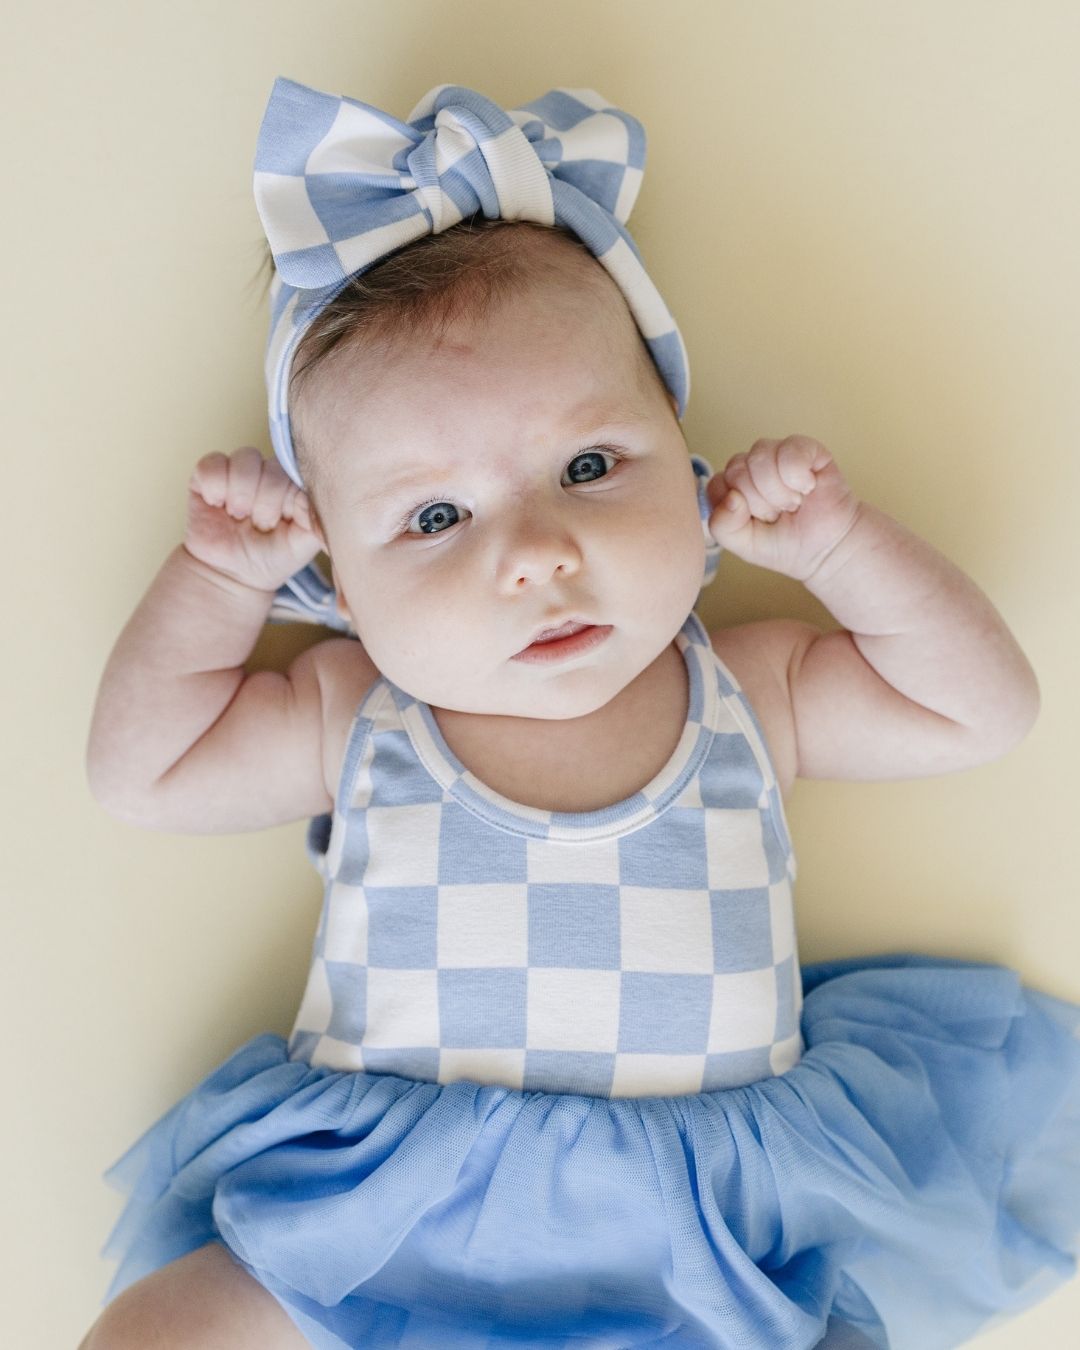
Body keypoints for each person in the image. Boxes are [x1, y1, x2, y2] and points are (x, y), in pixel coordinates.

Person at [80, 78, 1080, 1350]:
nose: (539, 551)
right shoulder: (358, 716)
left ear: (687, 452)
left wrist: (841, 549)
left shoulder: (750, 695)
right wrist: (218, 582)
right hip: (378, 1224)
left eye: (591, 468)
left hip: (696, 1244)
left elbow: (979, 710)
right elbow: (143, 773)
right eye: (435, 518)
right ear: (334, 574)